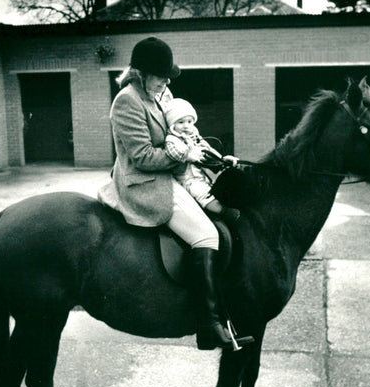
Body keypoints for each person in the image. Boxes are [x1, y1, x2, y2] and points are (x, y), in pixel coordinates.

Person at [98, 37, 253, 351]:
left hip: (173, 172)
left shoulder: (160, 94)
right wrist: (187, 157)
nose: (168, 80)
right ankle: (208, 325)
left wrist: (215, 157)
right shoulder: (127, 101)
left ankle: (227, 311)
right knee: (206, 236)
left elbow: (187, 134)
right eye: (161, 74)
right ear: (140, 73)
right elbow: (142, 156)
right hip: (145, 181)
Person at [163, 98, 241, 223]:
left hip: (200, 175)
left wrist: (221, 159)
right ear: (172, 124)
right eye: (181, 122)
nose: (186, 126)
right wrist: (188, 155)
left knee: (214, 188)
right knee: (203, 194)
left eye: (189, 121)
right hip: (187, 179)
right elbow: (173, 153)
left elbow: (207, 150)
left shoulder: (194, 138)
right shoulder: (172, 140)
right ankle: (223, 211)